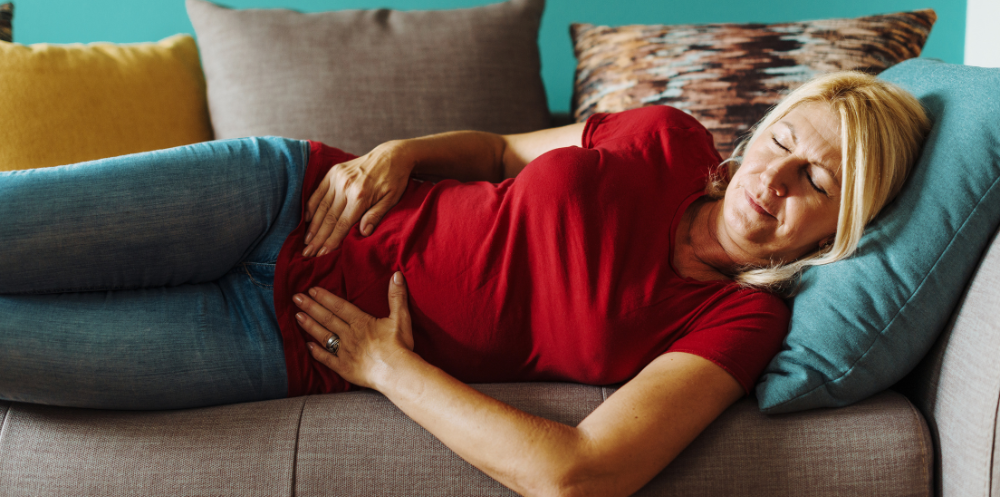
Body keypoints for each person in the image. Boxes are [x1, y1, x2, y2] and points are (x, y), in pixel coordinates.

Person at [0, 71, 928, 496]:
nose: (776, 178)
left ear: (843, 229)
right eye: (783, 142)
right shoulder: (667, 138)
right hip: (279, 195)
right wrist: (399, 154)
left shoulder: (739, 319)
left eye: (820, 181)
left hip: (283, 339)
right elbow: (497, 150)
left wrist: (383, 366)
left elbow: (579, 475)